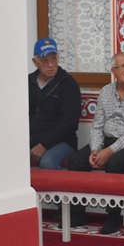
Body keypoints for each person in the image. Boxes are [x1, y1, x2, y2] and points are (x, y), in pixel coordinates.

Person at [67, 52, 124, 234]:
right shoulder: (106, 91)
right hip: (108, 140)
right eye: (122, 66)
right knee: (76, 161)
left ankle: (113, 218)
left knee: (115, 162)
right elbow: (97, 125)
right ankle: (77, 215)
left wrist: (109, 151)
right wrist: (95, 149)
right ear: (113, 71)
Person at [28, 37, 80, 169]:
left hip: (62, 141)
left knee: (48, 162)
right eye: (44, 60)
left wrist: (43, 145)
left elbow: (69, 124)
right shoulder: (27, 82)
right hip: (32, 138)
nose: (50, 65)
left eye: (53, 59)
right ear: (35, 62)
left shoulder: (68, 84)